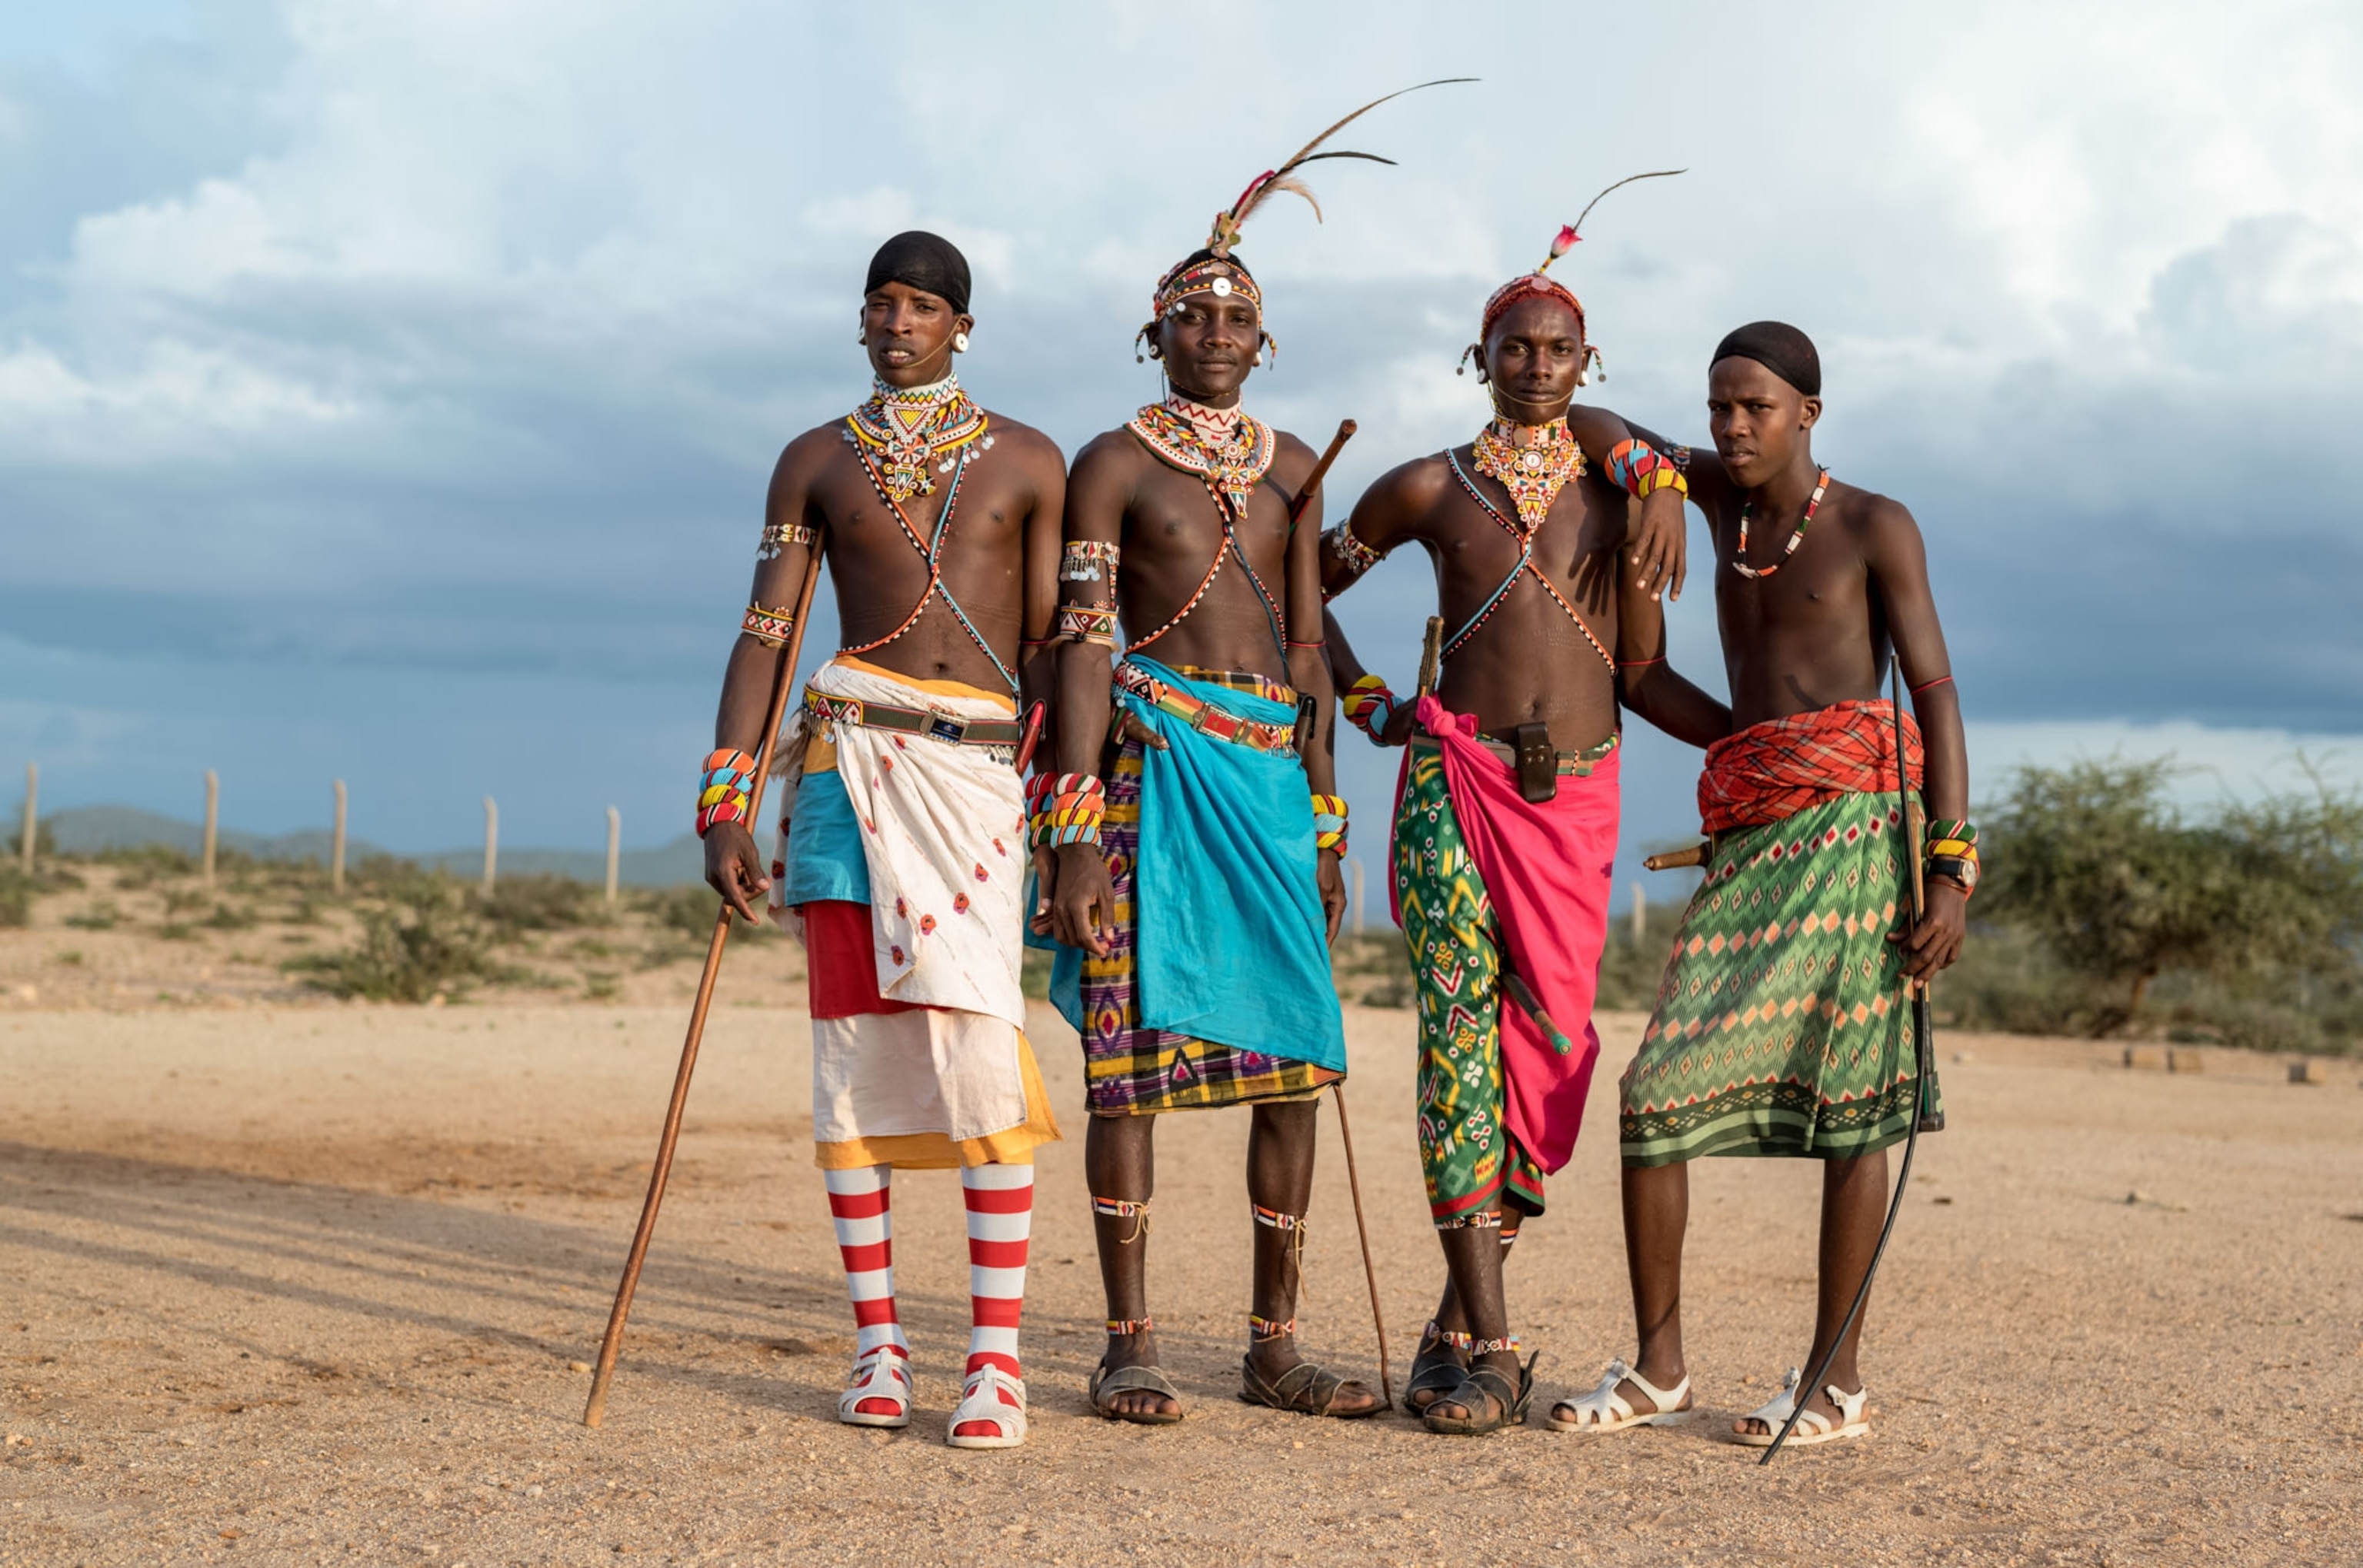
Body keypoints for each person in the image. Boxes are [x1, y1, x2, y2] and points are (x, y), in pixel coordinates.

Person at [1319, 219, 1714, 1435]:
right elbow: (1294, 585)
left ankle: (1452, 1321)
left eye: (1558, 350)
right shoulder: (1428, 486)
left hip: (1576, 794)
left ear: (1586, 364)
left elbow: (1642, 669)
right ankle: (1492, 1343)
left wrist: (1754, 739)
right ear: (1478, 356)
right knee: (1455, 1044)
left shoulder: (1616, 485)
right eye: (1514, 347)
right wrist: (1360, 696)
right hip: (1452, 780)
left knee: (1547, 1051)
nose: (1536, 365)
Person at [1550, 321, 1970, 1448]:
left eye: (1757, 409)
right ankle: (1659, 1371)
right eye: (1719, 407)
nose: (1733, 428)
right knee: (1654, 1094)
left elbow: (1934, 691)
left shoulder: (1875, 524)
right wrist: (1649, 480)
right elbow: (1591, 424)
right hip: (1752, 829)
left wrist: (1952, 870)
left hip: (1857, 830)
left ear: (1808, 416)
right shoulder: (1706, 496)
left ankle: (1834, 1386)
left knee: (1854, 1109)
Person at [1032, 145, 1392, 1427]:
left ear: (1267, 337)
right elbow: (1081, 641)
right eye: (1195, 316)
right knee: (1124, 1073)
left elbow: (1303, 652)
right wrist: (1073, 838)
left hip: (1269, 788)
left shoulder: (1295, 463)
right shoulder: (1111, 465)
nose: (1219, 335)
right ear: (1156, 331)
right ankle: (1127, 1343)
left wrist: (1326, 821)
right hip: (1150, 779)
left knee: (1292, 1062)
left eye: (1240, 319)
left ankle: (1272, 1346)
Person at [700, 231, 1067, 1450]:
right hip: (843, 772)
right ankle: (879, 1342)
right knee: (850, 1051)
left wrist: (1074, 818)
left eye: (921, 306)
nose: (897, 323)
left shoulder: (1027, 458)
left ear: (962, 325)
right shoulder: (813, 461)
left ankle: (996, 1363)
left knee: (977, 1053)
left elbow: (1073, 646)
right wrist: (725, 801)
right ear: (859, 323)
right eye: (880, 305)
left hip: (972, 777)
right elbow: (767, 630)